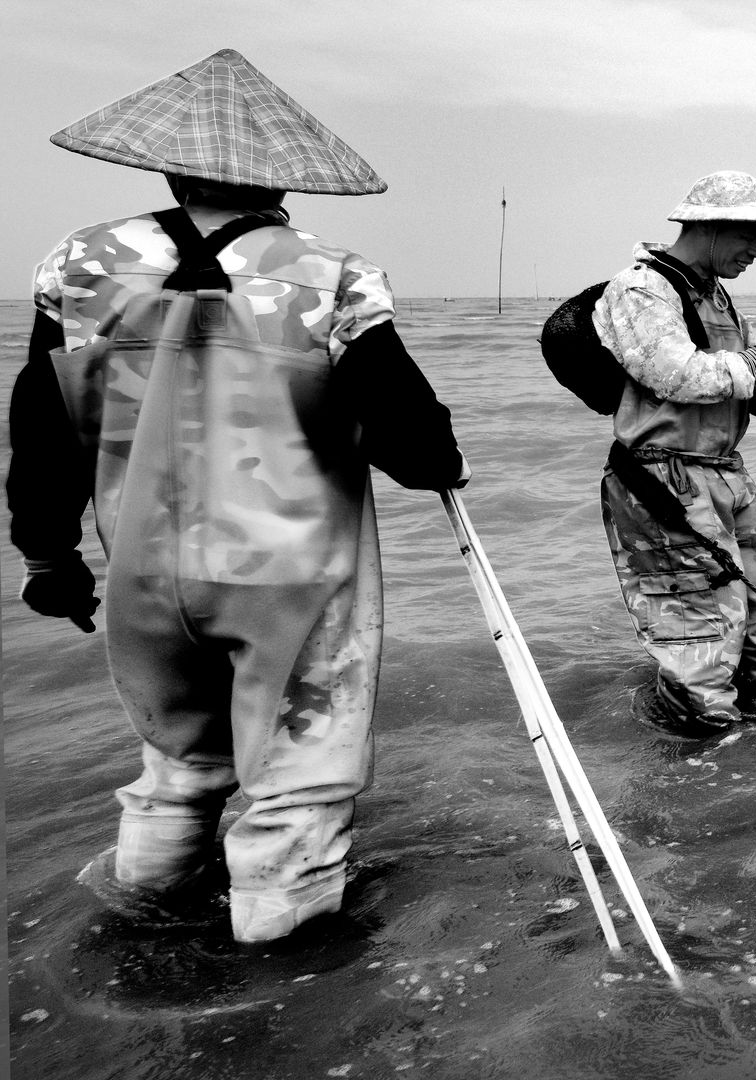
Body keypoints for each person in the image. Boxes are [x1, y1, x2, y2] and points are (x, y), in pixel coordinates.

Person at [7, 50, 467, 943]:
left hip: (143, 568)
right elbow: (413, 444)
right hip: (285, 573)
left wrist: (46, 556)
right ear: (280, 182)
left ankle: (138, 936)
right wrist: (441, 460)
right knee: (298, 778)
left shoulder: (79, 263)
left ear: (169, 165)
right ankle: (276, 980)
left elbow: (40, 420)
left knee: (176, 765)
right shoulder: (331, 273)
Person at [592, 171, 756, 737]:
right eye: (750, 236)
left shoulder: (718, 296)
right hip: (663, 480)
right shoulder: (641, 289)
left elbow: (743, 388)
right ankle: (709, 756)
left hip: (724, 473)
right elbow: (678, 376)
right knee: (696, 624)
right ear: (712, 226)